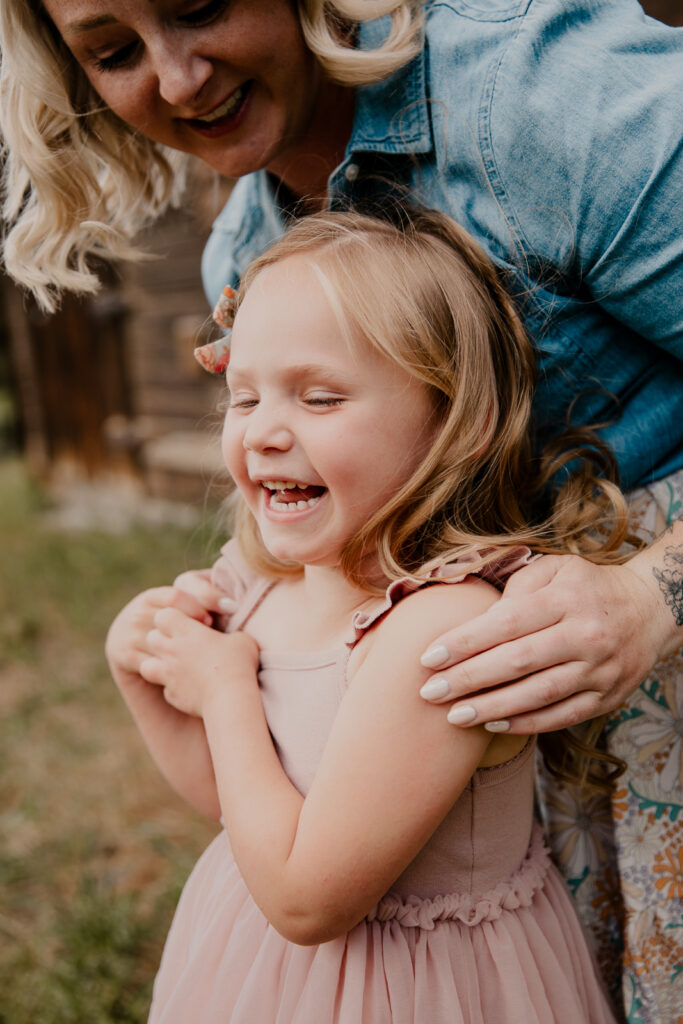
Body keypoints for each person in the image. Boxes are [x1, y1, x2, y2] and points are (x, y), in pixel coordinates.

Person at [1, 2, 681, 1017]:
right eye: (112, 52)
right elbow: (277, 807)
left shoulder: (537, 100)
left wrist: (651, 592)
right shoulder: (246, 250)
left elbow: (311, 890)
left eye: (197, 5)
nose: (178, 80)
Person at [106, 207, 621, 1023]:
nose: (267, 431)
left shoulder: (438, 630)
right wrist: (144, 676)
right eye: (244, 397)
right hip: (265, 970)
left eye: (318, 397)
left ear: (454, 422)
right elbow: (239, 806)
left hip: (421, 989)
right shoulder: (264, 584)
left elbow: (310, 902)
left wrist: (226, 693)